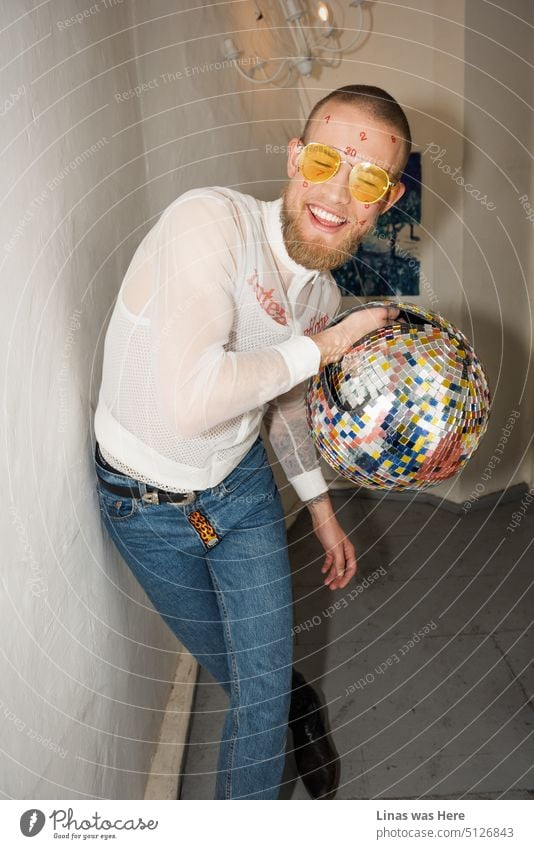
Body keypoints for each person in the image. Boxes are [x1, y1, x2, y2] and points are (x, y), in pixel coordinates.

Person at [93, 84, 411, 800]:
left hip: (242, 492)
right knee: (248, 675)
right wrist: (325, 348)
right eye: (326, 159)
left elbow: (283, 404)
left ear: (385, 202)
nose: (336, 191)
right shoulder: (209, 222)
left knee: (256, 693)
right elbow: (190, 399)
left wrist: (323, 511)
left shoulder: (322, 298)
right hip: (144, 509)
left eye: (365, 179)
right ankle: (298, 697)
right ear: (297, 156)